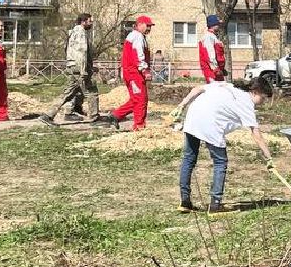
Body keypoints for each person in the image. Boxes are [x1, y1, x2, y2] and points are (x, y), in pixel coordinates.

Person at [170, 76, 277, 213]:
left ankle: (185, 202)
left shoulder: (226, 85)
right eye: (262, 98)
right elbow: (256, 134)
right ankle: (215, 204)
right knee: (220, 162)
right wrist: (269, 157)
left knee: (189, 159)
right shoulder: (246, 103)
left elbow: (197, 89)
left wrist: (181, 105)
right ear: (255, 91)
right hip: (210, 123)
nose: (262, 102)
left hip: (193, 116)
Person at [50, 13, 97, 124]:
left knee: (69, 92)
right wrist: (83, 70)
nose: (91, 23)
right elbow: (81, 52)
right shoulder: (80, 33)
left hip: (74, 66)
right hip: (78, 67)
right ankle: (95, 117)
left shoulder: (73, 32)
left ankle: (49, 114)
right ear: (83, 21)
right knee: (91, 91)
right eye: (90, 21)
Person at [111, 15, 153, 131]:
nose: (149, 28)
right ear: (140, 25)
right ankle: (138, 126)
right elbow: (138, 54)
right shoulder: (137, 36)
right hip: (133, 73)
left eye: (150, 26)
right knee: (140, 99)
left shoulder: (137, 36)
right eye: (148, 25)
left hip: (133, 72)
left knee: (139, 99)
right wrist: (145, 70)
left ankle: (117, 115)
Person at [198, 14, 227, 81]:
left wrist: (222, 69)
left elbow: (219, 55)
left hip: (217, 71)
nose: (219, 26)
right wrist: (216, 69)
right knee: (215, 90)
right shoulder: (208, 37)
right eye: (217, 24)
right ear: (212, 25)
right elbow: (210, 55)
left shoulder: (213, 37)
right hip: (212, 72)